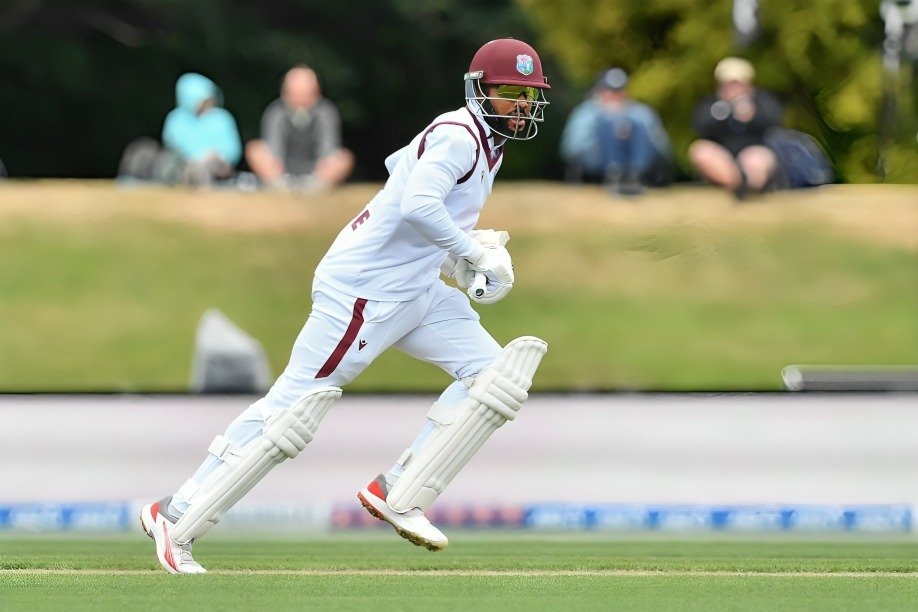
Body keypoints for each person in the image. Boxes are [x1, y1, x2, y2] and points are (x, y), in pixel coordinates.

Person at [140, 38, 551, 574]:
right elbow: (417, 204)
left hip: (416, 288)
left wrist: (458, 261)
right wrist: (472, 252)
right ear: (479, 92)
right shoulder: (460, 135)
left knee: (495, 377)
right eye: (510, 93)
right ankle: (176, 513)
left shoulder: (484, 142)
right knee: (292, 412)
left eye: (528, 95)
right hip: (363, 291)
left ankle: (399, 491)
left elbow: (400, 169)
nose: (521, 105)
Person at [559, 67, 672, 195]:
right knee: (605, 123)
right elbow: (572, 148)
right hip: (595, 163)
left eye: (619, 90)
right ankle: (615, 173)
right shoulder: (586, 112)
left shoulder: (640, 113)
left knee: (638, 123)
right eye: (609, 90)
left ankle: (632, 176)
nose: (614, 95)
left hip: (636, 164)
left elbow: (660, 146)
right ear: (599, 91)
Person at [118, 72, 242, 186]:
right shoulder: (176, 119)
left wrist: (210, 157)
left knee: (208, 166)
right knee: (144, 151)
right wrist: (194, 158)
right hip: (179, 164)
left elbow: (232, 148)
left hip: (215, 165)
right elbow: (174, 144)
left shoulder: (221, 118)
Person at [245, 66, 354, 192]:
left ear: (316, 93)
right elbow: (273, 150)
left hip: (316, 171)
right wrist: (275, 168)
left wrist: (325, 166)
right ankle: (280, 188)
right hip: (282, 170)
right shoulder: (275, 112)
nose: (300, 99)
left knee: (344, 158)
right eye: (295, 94)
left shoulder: (326, 112)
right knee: (255, 149)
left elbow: (328, 149)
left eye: (305, 94)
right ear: (285, 93)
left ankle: (315, 188)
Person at [688, 57, 782, 198]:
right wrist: (728, 112)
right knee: (700, 151)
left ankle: (748, 185)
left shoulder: (762, 102)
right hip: (723, 158)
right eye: (728, 85)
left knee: (756, 159)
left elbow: (774, 119)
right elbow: (700, 125)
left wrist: (752, 114)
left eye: (738, 84)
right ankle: (737, 183)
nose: (734, 89)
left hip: (753, 152)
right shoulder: (711, 104)